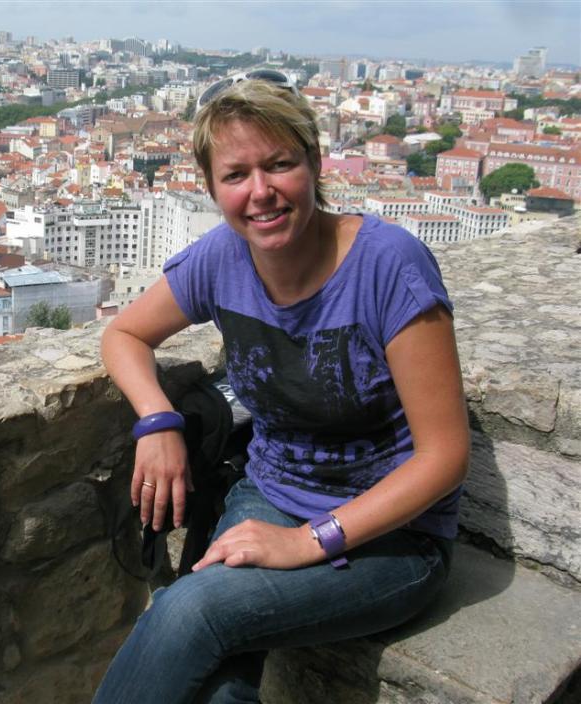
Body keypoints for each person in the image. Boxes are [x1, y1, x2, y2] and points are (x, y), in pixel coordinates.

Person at [93, 72, 470, 704]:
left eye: (279, 165)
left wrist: (307, 541)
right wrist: (157, 422)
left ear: (315, 163)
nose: (260, 192)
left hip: (395, 533)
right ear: (212, 187)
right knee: (218, 688)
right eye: (236, 175)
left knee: (192, 612)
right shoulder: (222, 258)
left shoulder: (387, 265)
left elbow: (444, 455)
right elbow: (124, 334)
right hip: (271, 494)